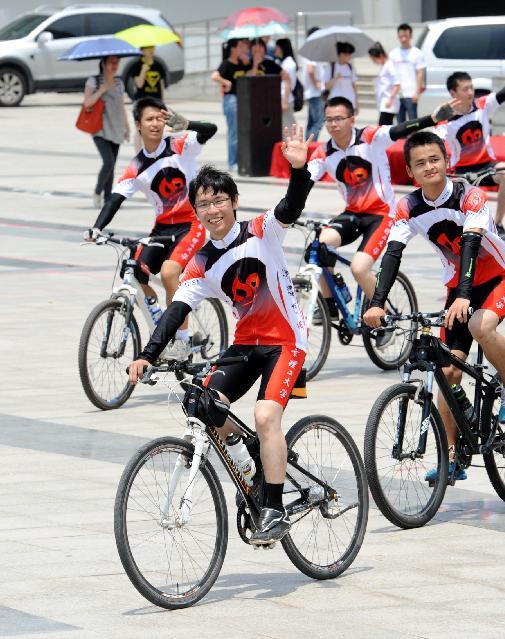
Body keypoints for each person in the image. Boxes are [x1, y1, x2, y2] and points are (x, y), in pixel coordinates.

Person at [127, 126, 315, 545]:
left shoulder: (262, 231)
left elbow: (291, 203)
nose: (212, 209)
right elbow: (176, 310)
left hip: (286, 341)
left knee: (266, 416)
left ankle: (274, 509)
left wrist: (299, 171)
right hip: (247, 343)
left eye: (218, 200)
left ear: (234, 202)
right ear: (194, 212)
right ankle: (252, 467)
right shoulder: (201, 262)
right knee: (202, 405)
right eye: (203, 204)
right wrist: (147, 353)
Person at [363, 131, 505, 482]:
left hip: (499, 277)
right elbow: (392, 254)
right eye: (420, 163)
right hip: (458, 286)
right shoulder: (408, 207)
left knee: (480, 327)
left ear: (446, 161)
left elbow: (471, 244)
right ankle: (452, 455)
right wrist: (377, 303)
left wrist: (466, 296)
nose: (429, 167)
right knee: (447, 372)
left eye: (434, 160)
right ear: (410, 171)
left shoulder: (470, 196)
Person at [85, 98, 217, 353]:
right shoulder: (136, 166)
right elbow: (115, 199)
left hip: (191, 224)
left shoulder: (180, 144)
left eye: (159, 118)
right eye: (149, 119)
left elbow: (210, 130)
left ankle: (183, 339)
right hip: (162, 228)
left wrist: (188, 123)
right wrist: (96, 228)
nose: (155, 124)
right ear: (138, 125)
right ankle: (160, 321)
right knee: (134, 270)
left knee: (169, 273)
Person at [306, 97, 457, 313]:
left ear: (352, 119)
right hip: (352, 214)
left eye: (339, 118)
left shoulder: (370, 137)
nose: (333, 124)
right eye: (328, 119)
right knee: (318, 248)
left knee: (359, 269)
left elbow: (400, 129)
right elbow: (305, 182)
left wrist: (432, 119)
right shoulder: (323, 152)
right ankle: (330, 304)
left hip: (382, 215)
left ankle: (383, 315)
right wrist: (297, 167)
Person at [435, 68, 505, 240]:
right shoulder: (445, 119)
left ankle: (499, 223)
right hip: (461, 171)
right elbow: (434, 142)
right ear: (453, 93)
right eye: (465, 89)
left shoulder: (482, 105)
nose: (470, 93)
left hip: (486, 165)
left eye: (471, 88)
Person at [83, 56, 130, 208]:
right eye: (111, 63)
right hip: (100, 129)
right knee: (108, 162)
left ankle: (108, 198)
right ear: (103, 64)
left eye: (116, 63)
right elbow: (87, 103)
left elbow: (121, 106)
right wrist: (101, 90)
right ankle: (98, 192)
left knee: (112, 165)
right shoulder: (94, 81)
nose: (114, 66)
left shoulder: (119, 83)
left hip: (116, 128)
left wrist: (127, 126)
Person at [211, 38, 250, 171]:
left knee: (241, 132)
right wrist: (225, 82)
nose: (243, 48)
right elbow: (215, 76)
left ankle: (239, 160)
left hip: (242, 100)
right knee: (234, 132)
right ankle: (233, 162)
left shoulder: (242, 63)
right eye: (240, 46)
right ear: (233, 48)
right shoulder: (226, 63)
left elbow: (250, 75)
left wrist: (251, 63)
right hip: (231, 100)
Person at [388, 24, 425, 123]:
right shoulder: (393, 54)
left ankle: (414, 138)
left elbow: (420, 73)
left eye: (406, 36)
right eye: (401, 36)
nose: (403, 39)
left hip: (411, 93)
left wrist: (417, 92)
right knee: (400, 124)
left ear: (411, 36)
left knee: (413, 122)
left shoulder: (417, 53)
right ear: (398, 36)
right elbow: (390, 74)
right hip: (398, 94)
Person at [299, 27, 326, 141]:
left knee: (311, 122)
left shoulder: (308, 50)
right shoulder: (313, 51)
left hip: (311, 92)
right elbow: (310, 69)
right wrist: (316, 83)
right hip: (314, 92)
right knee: (318, 122)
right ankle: (311, 147)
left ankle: (307, 147)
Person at [369, 42, 400, 126]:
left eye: (374, 59)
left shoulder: (390, 65)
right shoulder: (384, 66)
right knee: (385, 127)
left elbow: (397, 84)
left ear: (381, 56)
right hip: (385, 102)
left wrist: (390, 98)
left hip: (388, 102)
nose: (374, 62)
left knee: (382, 127)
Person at [322, 42, 358, 111]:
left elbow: (354, 86)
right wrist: (335, 78)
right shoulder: (331, 66)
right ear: (341, 54)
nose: (350, 57)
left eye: (350, 54)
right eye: (347, 54)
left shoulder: (350, 67)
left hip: (350, 102)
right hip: (335, 102)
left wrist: (357, 102)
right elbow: (326, 86)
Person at [275, 38, 299, 130]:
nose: (275, 50)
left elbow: (288, 83)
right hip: (285, 99)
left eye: (277, 47)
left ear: (282, 48)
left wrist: (284, 102)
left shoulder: (288, 63)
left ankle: (291, 145)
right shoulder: (284, 62)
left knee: (287, 127)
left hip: (286, 99)